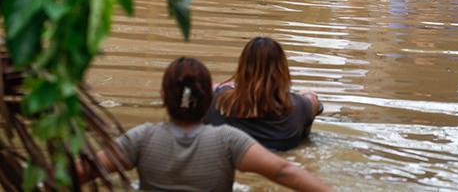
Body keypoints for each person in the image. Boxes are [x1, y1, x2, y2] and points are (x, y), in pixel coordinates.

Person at [77, 57, 329, 192]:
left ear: (164, 98)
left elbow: (83, 171)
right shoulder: (227, 140)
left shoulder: (141, 138)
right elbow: (284, 172)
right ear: (209, 100)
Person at [205, 37, 323, 151]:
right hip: (281, 158)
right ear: (282, 70)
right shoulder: (300, 106)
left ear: (242, 68)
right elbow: (314, 102)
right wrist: (306, 94)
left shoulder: (217, 100)